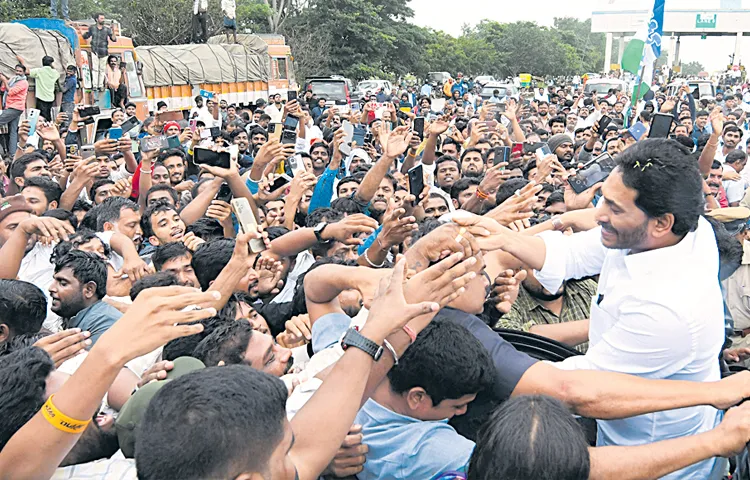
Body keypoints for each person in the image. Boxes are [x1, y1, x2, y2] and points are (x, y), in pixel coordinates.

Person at [473, 139, 726, 478]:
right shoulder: (663, 231)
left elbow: (580, 389)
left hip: (654, 456)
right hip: (616, 430)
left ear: (662, 223)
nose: (598, 215)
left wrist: (474, 342)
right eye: (603, 198)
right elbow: (570, 255)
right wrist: (503, 239)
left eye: (615, 208)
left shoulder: (668, 310)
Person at [49, 250, 122, 344]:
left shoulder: (106, 324)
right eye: (54, 280)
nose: (51, 288)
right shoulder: (75, 314)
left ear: (89, 290)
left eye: (63, 283)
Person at [82, 14, 117, 92]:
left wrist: (113, 30)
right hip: (95, 51)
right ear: (97, 19)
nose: (103, 20)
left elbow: (114, 39)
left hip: (104, 51)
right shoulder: (92, 28)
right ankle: (95, 85)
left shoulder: (107, 29)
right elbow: (86, 36)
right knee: (95, 69)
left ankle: (100, 85)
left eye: (103, 18)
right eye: (101, 18)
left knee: (101, 69)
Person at [18, 55, 59, 122]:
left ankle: (45, 129)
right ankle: (49, 127)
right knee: (48, 115)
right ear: (51, 63)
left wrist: (22, 61)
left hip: (42, 97)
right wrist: (52, 66)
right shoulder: (55, 72)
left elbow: (27, 72)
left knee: (41, 117)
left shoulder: (39, 71)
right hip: (51, 97)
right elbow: (56, 73)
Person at [0, 63, 28, 156]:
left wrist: (4, 79)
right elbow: (3, 89)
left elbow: (11, 92)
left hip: (15, 107)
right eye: (17, 71)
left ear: (24, 72)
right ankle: (12, 153)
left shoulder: (24, 82)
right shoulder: (13, 79)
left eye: (20, 71)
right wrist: (5, 81)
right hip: (10, 106)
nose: (18, 73)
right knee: (13, 130)